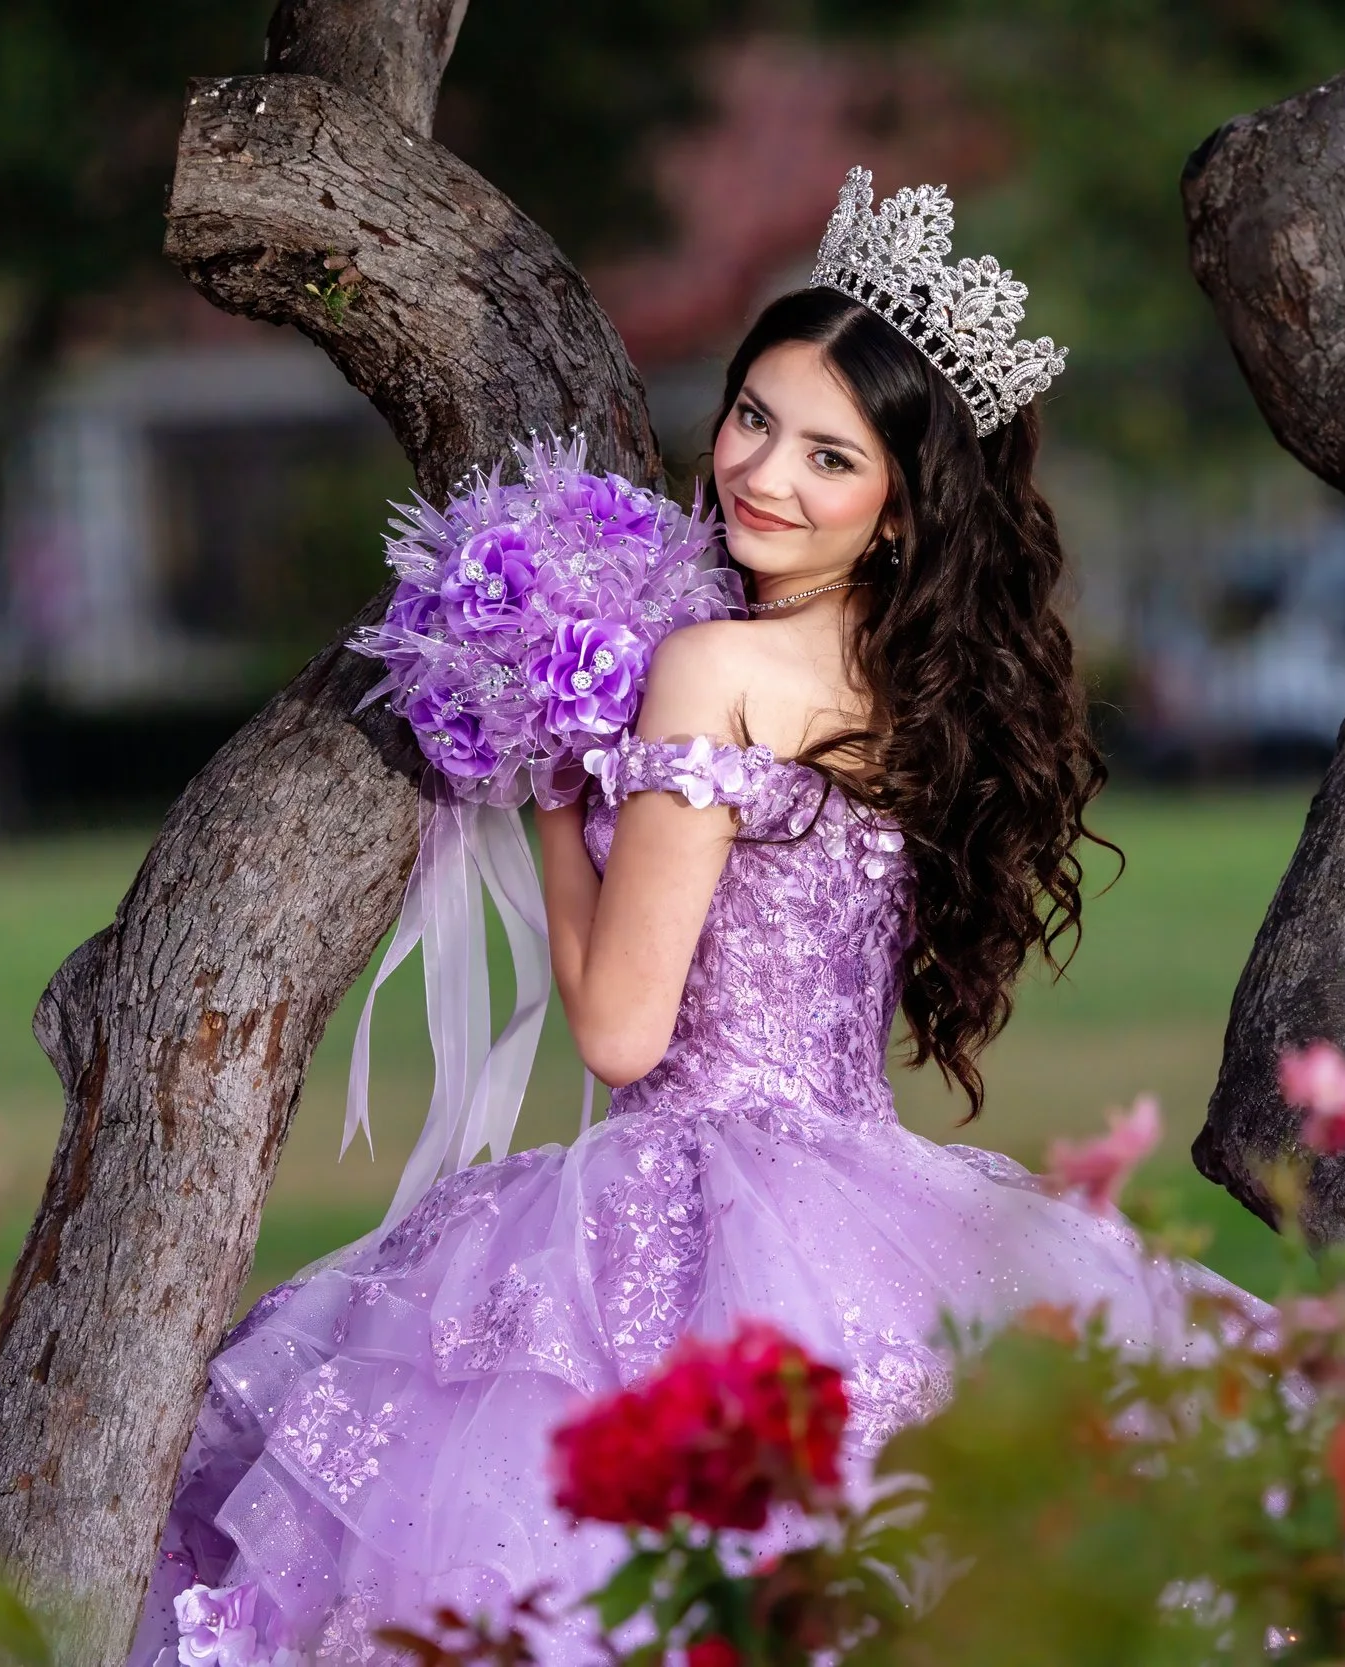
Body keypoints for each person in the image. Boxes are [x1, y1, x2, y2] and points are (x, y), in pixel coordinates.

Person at [129, 168, 1265, 1667]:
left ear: (904, 505)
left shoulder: (714, 667)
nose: (763, 474)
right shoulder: (910, 693)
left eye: (829, 455)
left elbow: (619, 1029)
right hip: (878, 1189)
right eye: (751, 417)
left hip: (697, 1185)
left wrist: (549, 782)